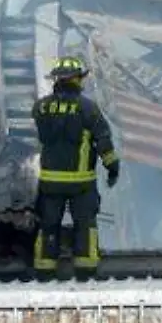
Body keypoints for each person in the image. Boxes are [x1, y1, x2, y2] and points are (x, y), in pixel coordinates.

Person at [31, 56, 120, 278]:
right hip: (82, 182)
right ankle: (85, 270)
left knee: (48, 225)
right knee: (85, 225)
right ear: (77, 79)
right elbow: (103, 141)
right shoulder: (88, 108)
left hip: (50, 181)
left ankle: (44, 270)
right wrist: (112, 167)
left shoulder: (41, 107)